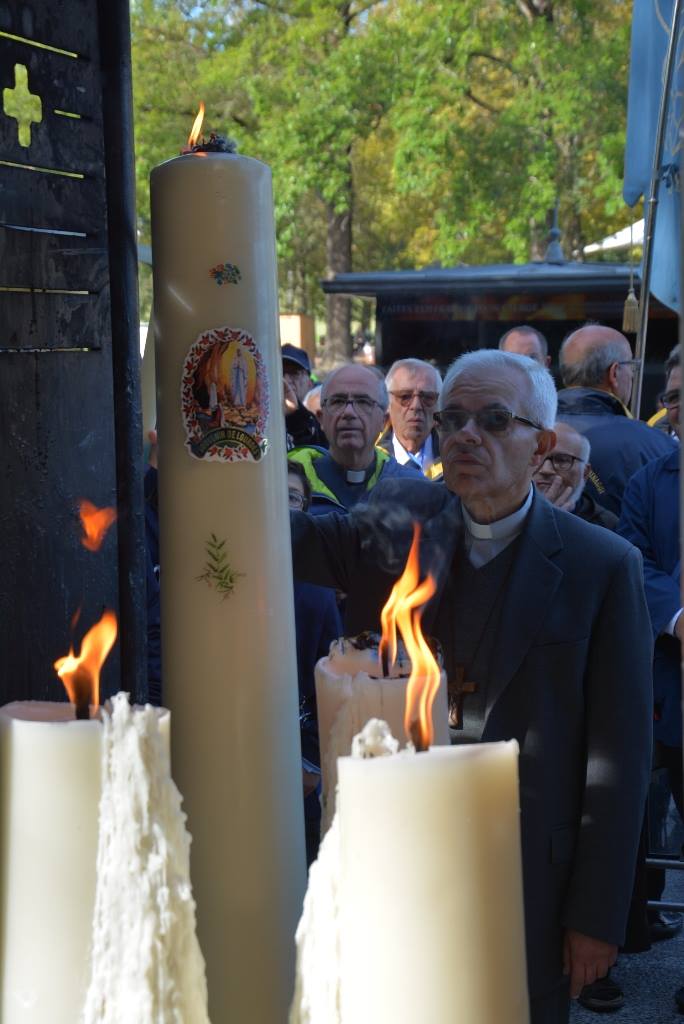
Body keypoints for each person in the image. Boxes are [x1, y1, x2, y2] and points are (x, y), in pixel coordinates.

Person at [291, 349, 652, 1024]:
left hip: (528, 879)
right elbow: (294, 540)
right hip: (398, 863)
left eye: (493, 420)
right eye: (452, 418)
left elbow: (620, 755)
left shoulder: (601, 565)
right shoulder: (402, 519)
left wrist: (598, 916)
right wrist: (212, 463)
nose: (465, 435)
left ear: (540, 445)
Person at [619, 347, 684, 1012]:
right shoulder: (650, 478)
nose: (678, 408)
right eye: (673, 395)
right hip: (673, 686)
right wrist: (679, 617)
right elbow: (633, 557)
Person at [556, 324, 675, 515]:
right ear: (614, 373)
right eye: (631, 367)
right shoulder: (654, 445)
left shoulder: (526, 431)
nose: (632, 375)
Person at [288, 462, 342, 867]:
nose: (282, 506)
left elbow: (330, 673)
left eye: (292, 498)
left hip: (297, 763)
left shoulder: (317, 589)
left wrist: (310, 762)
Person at [288, 363, 420, 512]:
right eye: (338, 401)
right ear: (321, 418)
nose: (349, 413)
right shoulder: (285, 484)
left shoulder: (412, 488)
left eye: (363, 402)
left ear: (383, 421)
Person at [533, 421, 618, 530]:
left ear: (585, 473)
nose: (546, 470)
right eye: (537, 456)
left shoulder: (607, 526)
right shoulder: (510, 512)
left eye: (562, 460)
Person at [379, 357, 443, 479]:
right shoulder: (368, 456)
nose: (416, 406)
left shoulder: (456, 456)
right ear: (387, 403)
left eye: (427, 398)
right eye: (405, 396)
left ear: (439, 406)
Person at [282, 343, 328, 449]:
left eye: (294, 373)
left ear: (310, 383)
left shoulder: (320, 412)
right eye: (280, 372)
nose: (286, 380)